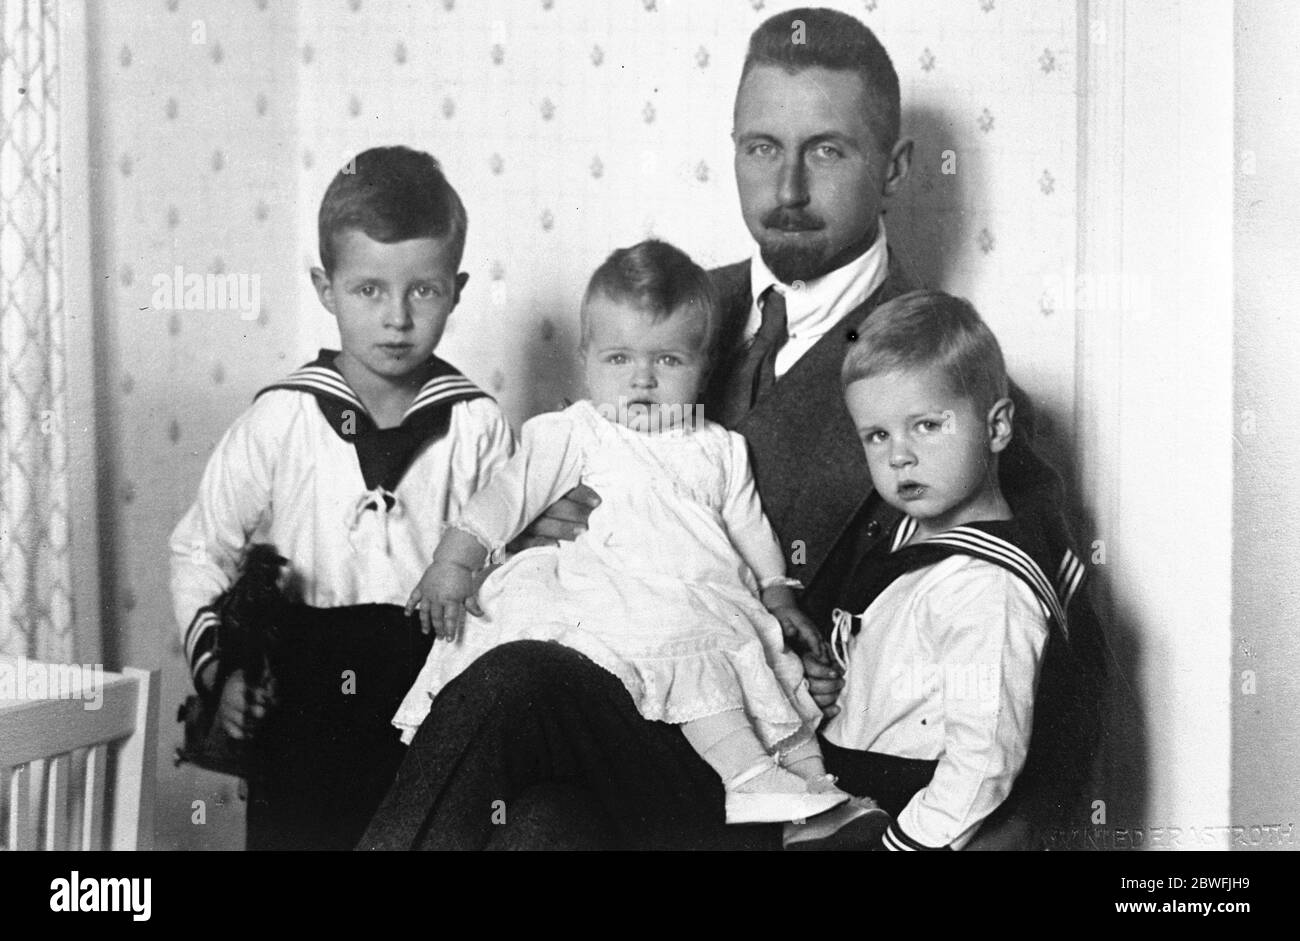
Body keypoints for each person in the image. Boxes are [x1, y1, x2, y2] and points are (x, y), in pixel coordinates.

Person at [360, 8, 1102, 851]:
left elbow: (1046, 680)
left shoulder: (946, 386)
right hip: (615, 702)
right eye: (760, 147)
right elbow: (568, 469)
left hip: (767, 764)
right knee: (537, 830)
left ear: (893, 168)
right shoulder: (663, 312)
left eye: (827, 150)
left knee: (513, 686)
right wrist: (541, 532)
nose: (786, 187)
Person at [396, 240, 893, 832]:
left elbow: (749, 527)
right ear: (585, 359)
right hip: (610, 598)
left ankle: (810, 794)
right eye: (618, 360)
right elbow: (509, 493)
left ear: (702, 365)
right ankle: (750, 779)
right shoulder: (576, 431)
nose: (643, 380)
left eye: (668, 361)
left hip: (699, 595)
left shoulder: (719, 447)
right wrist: (455, 563)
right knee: (673, 651)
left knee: (743, 660)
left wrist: (778, 595)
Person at [169, 146, 515, 850]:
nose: (397, 317)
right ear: (326, 288)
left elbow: (511, 572)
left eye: (423, 290)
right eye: (368, 290)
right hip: (301, 690)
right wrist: (219, 668)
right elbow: (199, 547)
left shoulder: (477, 424)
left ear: (457, 288)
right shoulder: (282, 418)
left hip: (432, 682)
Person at [815, 289, 1083, 850]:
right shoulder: (912, 535)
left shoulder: (987, 587)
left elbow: (983, 758)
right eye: (877, 435)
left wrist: (905, 845)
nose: (898, 456)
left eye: (927, 426)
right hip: (855, 790)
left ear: (998, 427)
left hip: (916, 813)